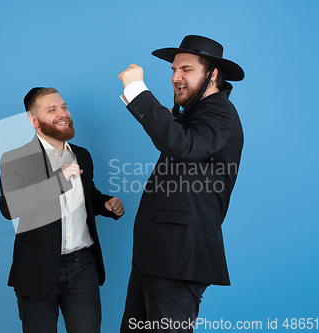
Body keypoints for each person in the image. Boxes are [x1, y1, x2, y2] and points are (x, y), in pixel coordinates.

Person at [117, 35, 245, 332]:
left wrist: (137, 91)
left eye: (186, 69)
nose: (176, 77)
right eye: (173, 70)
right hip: (157, 256)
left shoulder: (218, 109)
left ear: (212, 74)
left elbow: (183, 146)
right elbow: (178, 141)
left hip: (177, 258)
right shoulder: (199, 114)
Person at [0, 87, 124, 333]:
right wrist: (58, 181)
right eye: (52, 109)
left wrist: (106, 204)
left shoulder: (83, 156)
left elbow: (88, 196)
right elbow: (10, 207)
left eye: (64, 106)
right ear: (34, 121)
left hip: (83, 267)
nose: (62, 113)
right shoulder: (15, 159)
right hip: (36, 270)